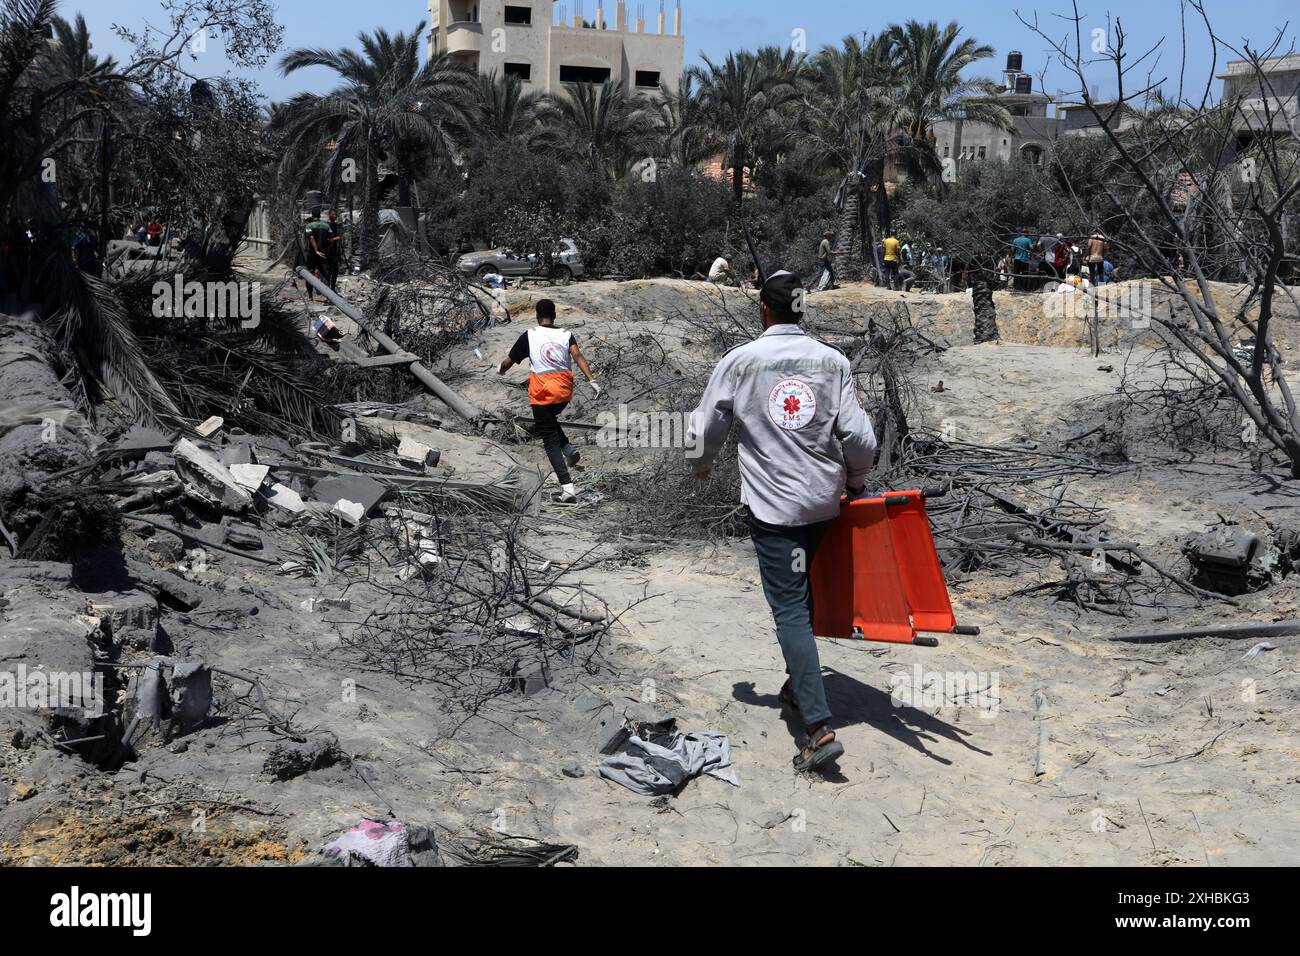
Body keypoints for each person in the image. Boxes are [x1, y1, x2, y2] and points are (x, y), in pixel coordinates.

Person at [688, 270, 878, 774]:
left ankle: (817, 728)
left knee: (790, 608)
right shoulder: (832, 361)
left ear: (763, 311)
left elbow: (705, 427)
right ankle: (799, 685)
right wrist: (856, 484)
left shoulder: (741, 361)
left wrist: (701, 465)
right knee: (806, 595)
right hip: (823, 504)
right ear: (801, 310)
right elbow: (859, 438)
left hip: (775, 511)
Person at [498, 299, 601, 503]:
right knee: (548, 422)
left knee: (549, 440)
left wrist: (500, 370)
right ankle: (569, 449)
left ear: (537, 316)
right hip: (564, 391)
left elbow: (508, 361)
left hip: (542, 392)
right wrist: (592, 380)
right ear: (554, 315)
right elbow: (578, 356)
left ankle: (568, 488)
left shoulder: (530, 335)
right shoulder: (565, 334)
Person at [303, 208, 331, 302]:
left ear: (312, 215)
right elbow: (330, 239)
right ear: (319, 215)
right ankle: (328, 296)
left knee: (309, 274)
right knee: (325, 275)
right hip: (324, 254)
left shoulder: (309, 226)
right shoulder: (327, 226)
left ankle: (310, 296)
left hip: (312, 254)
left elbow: (311, 238)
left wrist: (316, 250)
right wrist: (326, 249)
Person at [325, 209, 343, 290]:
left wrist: (333, 239)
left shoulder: (337, 226)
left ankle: (333, 288)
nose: (334, 216)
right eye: (333, 214)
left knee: (335, 271)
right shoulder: (326, 225)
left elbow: (340, 236)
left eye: (335, 214)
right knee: (328, 271)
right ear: (329, 215)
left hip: (335, 251)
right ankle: (327, 288)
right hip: (327, 251)